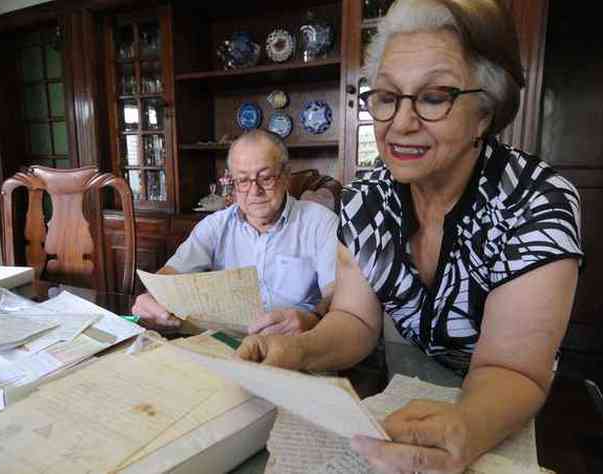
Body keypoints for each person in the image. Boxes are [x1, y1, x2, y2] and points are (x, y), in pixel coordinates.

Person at [237, 0, 582, 472]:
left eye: (434, 96)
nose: (400, 122)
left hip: (507, 404)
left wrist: (470, 426)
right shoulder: (366, 199)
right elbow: (356, 322)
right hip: (412, 389)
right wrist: (299, 349)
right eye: (386, 96)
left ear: (485, 111)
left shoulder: (535, 201)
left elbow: (513, 368)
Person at [132, 130, 338, 336]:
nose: (254, 191)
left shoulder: (320, 223)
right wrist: (152, 297)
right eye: (243, 180)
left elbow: (336, 294)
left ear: (285, 177)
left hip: (294, 345)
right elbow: (170, 275)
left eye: (265, 178)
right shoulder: (214, 225)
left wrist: (312, 319)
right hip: (225, 346)